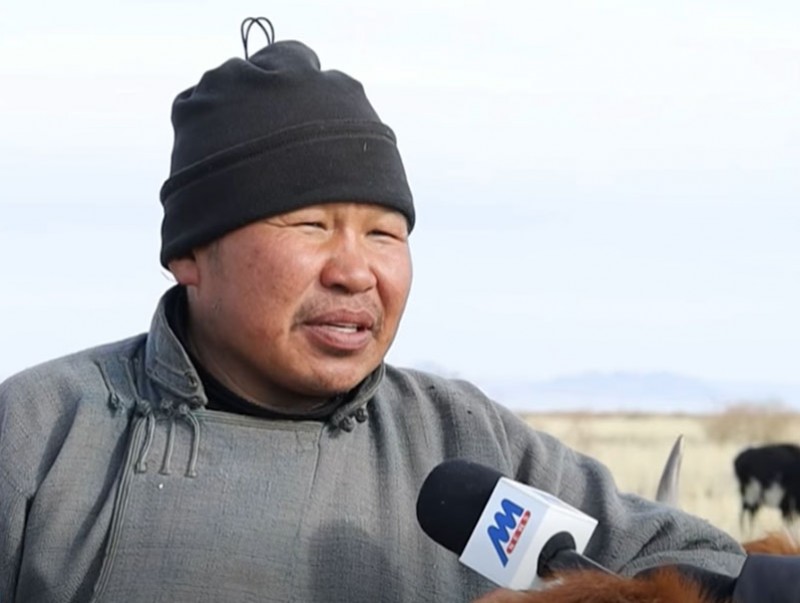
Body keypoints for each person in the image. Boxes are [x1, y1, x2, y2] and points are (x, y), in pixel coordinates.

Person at [0, 18, 746, 603]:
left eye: (385, 233)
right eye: (310, 225)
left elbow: (706, 567)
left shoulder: (466, 442)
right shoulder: (41, 434)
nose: (356, 270)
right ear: (190, 253)